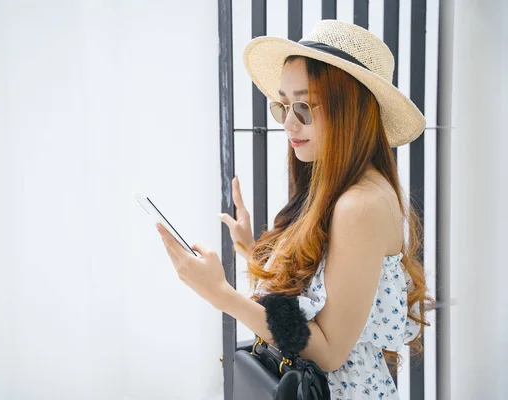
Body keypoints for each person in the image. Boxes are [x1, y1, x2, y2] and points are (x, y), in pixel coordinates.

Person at [156, 20, 431, 399]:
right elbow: (316, 301)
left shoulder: (360, 205)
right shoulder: (337, 189)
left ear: (349, 108)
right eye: (283, 105)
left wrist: (222, 295)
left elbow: (328, 350)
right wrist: (250, 249)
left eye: (303, 105)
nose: (288, 123)